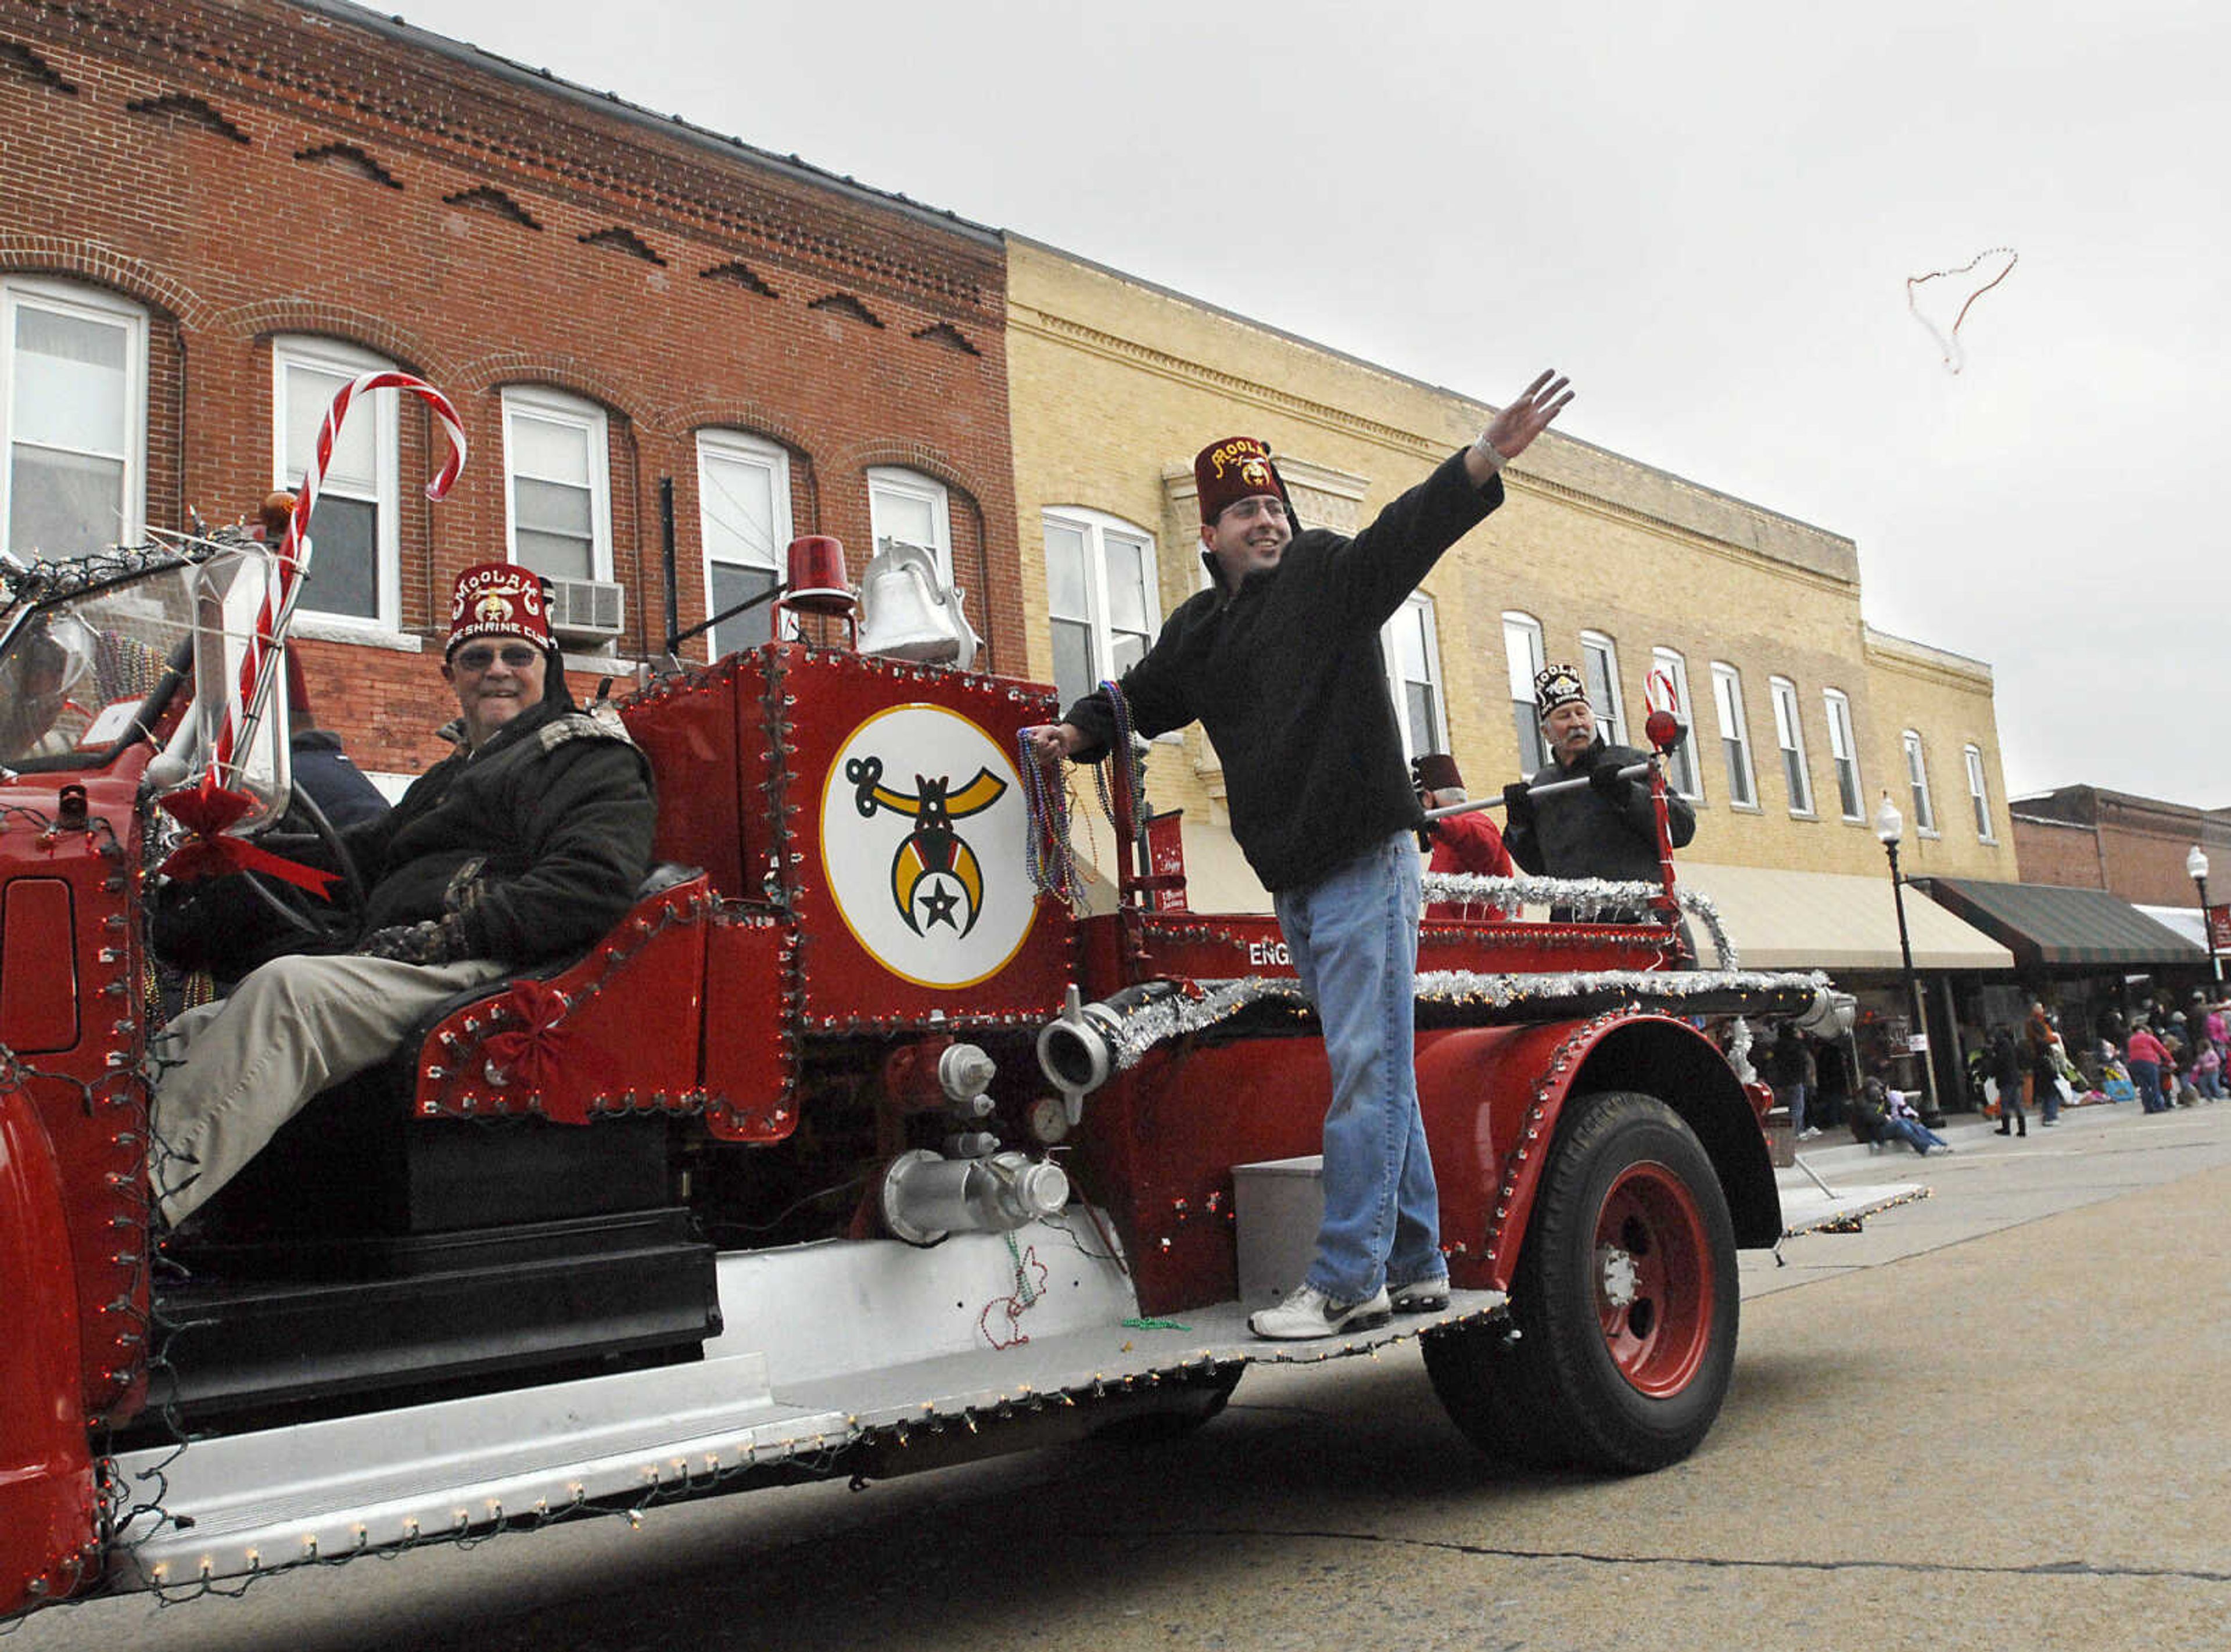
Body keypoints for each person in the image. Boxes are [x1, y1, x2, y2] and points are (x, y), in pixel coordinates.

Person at [1024, 371, 1574, 1339]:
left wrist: (1482, 458)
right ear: (1209, 534)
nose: (1266, 523)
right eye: (1244, 511)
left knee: (1367, 1066)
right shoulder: (1200, 631)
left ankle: (1347, 1275)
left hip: (1365, 856)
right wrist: (1074, 733)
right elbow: (1138, 697)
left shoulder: (1326, 572)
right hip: (1296, 880)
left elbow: (1406, 533)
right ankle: (1411, 1264)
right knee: (1377, 1066)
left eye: (1272, 505)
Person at [148, 562, 658, 1228]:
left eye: (516, 655)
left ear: (549, 665)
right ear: (450, 676)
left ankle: (130, 1225)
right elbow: (358, 852)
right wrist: (227, 863)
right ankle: (162, 1205)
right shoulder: (450, 777)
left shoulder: (589, 758)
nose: (497, 670)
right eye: (477, 657)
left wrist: (449, 935)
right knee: (193, 1028)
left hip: (499, 966)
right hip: (417, 960)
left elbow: (591, 884)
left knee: (289, 995)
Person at [1500, 663, 1696, 925]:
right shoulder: (1544, 784)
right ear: (1546, 732)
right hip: (1573, 928)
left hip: (1640, 920)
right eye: (1564, 716)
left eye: (1582, 713)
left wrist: (1629, 795)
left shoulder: (1630, 763)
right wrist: (1519, 825)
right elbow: (1540, 867)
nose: (1576, 723)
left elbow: (1683, 829)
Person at [1414, 752, 1513, 921]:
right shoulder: (1446, 840)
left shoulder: (1472, 823)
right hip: (1458, 939)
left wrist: (1437, 823)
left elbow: (1480, 844)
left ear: (1427, 798)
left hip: (1479, 941)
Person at [2124, 1017, 2171, 1114]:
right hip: (2149, 1062)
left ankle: (2148, 1108)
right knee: (2154, 1085)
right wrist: (2171, 1061)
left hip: (2134, 1064)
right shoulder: (2149, 1038)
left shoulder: (2131, 1040)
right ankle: (2159, 1106)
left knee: (2144, 1087)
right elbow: (2161, 1050)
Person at [1989, 1024, 2026, 1137]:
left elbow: (1998, 1063)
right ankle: (2022, 1129)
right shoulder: (2012, 1045)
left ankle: (2006, 1129)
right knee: (2018, 1104)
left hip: (2006, 1080)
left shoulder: (2001, 1047)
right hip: (2016, 1078)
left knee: (2005, 1104)